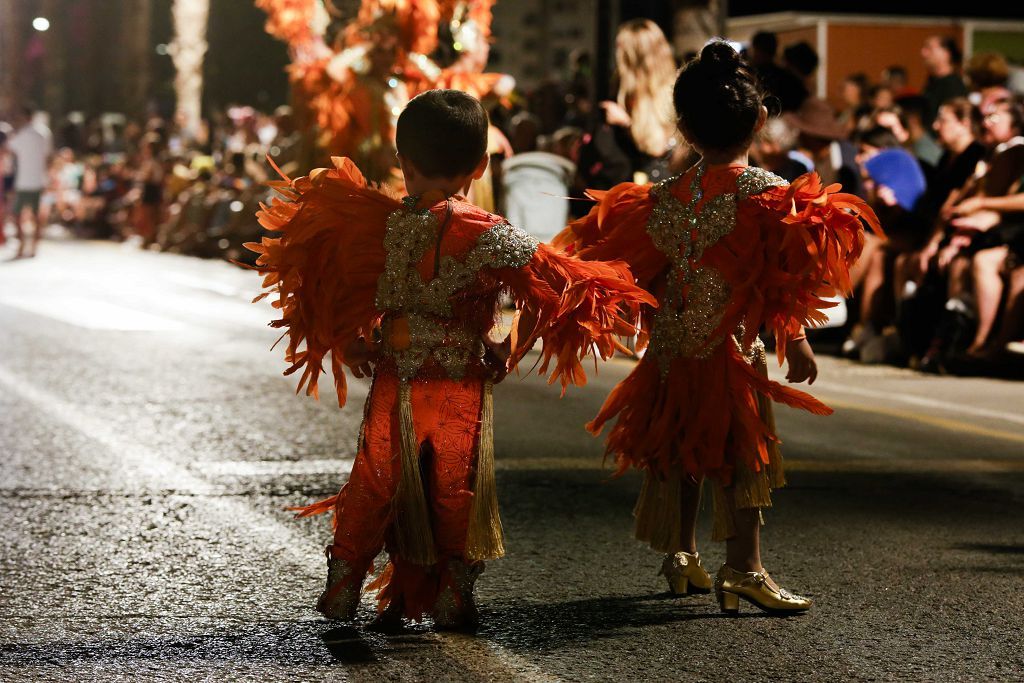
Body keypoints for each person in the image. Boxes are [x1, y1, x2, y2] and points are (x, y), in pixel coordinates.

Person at [247, 90, 653, 630]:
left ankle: (343, 590)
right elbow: (560, 291)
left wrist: (351, 343)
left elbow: (324, 282)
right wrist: (509, 347)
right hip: (460, 386)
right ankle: (453, 598)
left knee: (374, 480)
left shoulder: (380, 224)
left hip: (396, 379)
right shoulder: (489, 233)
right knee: (456, 487)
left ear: (402, 162)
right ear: (481, 164)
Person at [556, 42, 879, 615]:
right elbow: (778, 280)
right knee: (740, 455)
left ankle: (680, 556)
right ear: (759, 119)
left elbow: (635, 266)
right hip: (732, 350)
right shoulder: (771, 196)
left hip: (673, 348)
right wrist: (797, 340)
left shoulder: (662, 199)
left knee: (678, 447)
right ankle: (743, 567)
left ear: (682, 126)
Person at [576, 18, 682, 202]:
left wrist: (625, 122)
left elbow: (656, 146)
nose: (617, 55)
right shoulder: (628, 89)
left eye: (621, 48)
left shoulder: (666, 91)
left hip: (657, 192)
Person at [7, 106, 52, 258]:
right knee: (35, 215)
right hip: (38, 180)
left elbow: (9, 149)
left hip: (24, 181)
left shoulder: (22, 134)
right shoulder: (44, 133)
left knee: (17, 214)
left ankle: (22, 246)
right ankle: (33, 247)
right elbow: (48, 157)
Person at [920, 35, 969, 128]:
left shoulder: (953, 86)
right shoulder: (932, 82)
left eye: (929, 48)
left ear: (946, 53)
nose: (923, 53)